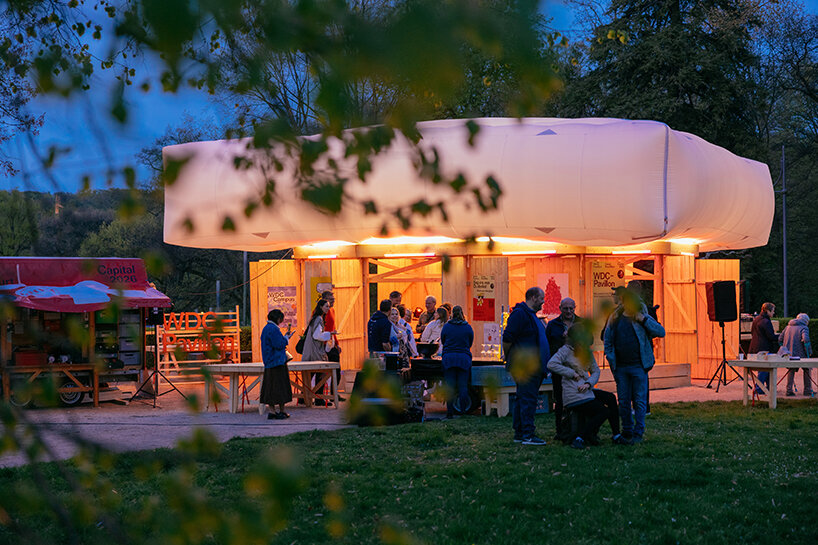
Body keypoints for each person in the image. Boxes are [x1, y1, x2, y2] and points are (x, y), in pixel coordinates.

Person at [547, 321, 629, 448]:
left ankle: (616, 435)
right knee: (603, 411)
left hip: (585, 389)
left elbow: (595, 370)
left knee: (611, 398)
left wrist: (589, 383)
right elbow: (551, 364)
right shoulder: (565, 351)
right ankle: (580, 438)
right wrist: (571, 373)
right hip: (573, 393)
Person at [603, 289, 665, 443]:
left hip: (638, 366)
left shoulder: (641, 318)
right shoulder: (615, 318)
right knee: (623, 401)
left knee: (639, 401)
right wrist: (610, 357)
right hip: (621, 367)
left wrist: (643, 319)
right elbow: (607, 339)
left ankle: (639, 432)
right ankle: (627, 430)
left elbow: (661, 332)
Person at [502, 286, 550, 446]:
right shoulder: (520, 314)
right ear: (534, 297)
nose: (543, 301)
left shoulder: (531, 315)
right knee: (528, 400)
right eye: (542, 298)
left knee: (523, 398)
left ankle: (520, 432)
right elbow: (507, 338)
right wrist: (509, 356)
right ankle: (528, 435)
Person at [545, 297, 578, 438]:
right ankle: (560, 430)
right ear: (560, 308)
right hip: (559, 368)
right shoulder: (552, 325)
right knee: (559, 400)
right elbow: (547, 344)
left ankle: (575, 429)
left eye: (571, 308)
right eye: (566, 308)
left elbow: (590, 340)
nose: (569, 311)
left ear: (574, 308)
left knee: (577, 399)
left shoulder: (581, 323)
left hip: (577, 367)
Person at [259, 309, 294, 420]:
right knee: (280, 387)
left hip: (269, 362)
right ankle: (281, 411)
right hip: (277, 362)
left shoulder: (266, 328)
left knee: (270, 388)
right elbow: (279, 344)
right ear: (278, 319)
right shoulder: (274, 329)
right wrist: (286, 338)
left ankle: (272, 411)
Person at [440, 306, 474, 418]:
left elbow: (443, 340)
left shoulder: (447, 327)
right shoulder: (468, 327)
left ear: (452, 314)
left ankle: (449, 412)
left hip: (449, 358)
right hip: (463, 358)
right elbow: (470, 342)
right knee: (463, 386)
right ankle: (463, 411)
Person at [779, 313, 813, 396]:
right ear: (805, 321)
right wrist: (809, 351)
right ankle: (807, 390)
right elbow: (805, 339)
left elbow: (780, 339)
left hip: (789, 354)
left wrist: (784, 348)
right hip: (801, 354)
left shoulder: (787, 327)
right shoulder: (804, 327)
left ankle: (789, 390)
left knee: (791, 370)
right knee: (807, 369)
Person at [749, 302, 778, 393]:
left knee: (765, 369)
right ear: (768, 311)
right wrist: (780, 336)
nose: (773, 313)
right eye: (773, 311)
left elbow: (752, 333)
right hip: (764, 348)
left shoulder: (756, 319)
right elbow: (771, 336)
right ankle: (759, 389)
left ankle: (769, 388)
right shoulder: (766, 321)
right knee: (764, 370)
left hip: (755, 347)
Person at [321, 290, 341, 363]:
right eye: (331, 299)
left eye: (333, 299)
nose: (333, 301)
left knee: (335, 365)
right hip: (322, 344)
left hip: (330, 343)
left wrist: (337, 344)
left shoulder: (332, 310)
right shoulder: (320, 312)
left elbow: (333, 328)